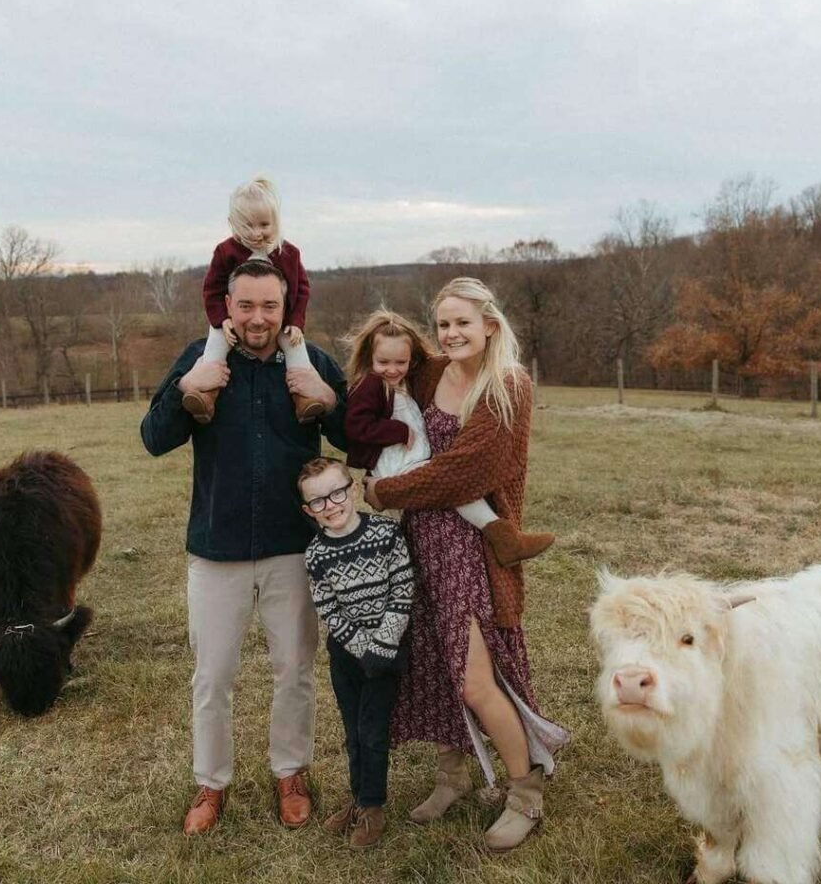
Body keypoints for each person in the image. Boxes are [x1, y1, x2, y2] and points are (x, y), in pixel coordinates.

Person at [140, 260, 347, 836]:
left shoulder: (312, 361)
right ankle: (210, 784)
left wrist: (328, 398)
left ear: (287, 309)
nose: (258, 318)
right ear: (227, 307)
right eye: (247, 305)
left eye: (270, 306)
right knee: (212, 676)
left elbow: (355, 437)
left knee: (295, 670)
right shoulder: (201, 359)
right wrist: (186, 391)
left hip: (293, 548)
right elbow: (154, 439)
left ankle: (290, 773)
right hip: (217, 548)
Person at [364, 277, 569, 853]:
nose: (452, 333)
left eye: (463, 322)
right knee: (431, 663)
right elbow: (380, 382)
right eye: (444, 324)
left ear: (490, 326)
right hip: (418, 540)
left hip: (470, 553)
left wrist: (386, 491)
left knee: (478, 680)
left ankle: (526, 793)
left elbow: (467, 472)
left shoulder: (508, 385)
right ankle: (451, 778)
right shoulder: (430, 372)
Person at [345, 308, 553, 567]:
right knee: (449, 482)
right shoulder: (371, 385)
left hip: (410, 459)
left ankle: (503, 536)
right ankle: (504, 538)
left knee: (451, 481)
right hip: (395, 463)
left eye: (401, 362)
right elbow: (355, 425)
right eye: (383, 362)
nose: (392, 369)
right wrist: (399, 431)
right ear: (370, 358)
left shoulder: (407, 380)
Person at [299, 457, 413, 849]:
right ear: (308, 510)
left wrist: (382, 644)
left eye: (337, 493)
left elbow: (402, 589)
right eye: (318, 502)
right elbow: (328, 608)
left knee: (372, 731)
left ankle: (374, 807)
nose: (331, 505)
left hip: (387, 651)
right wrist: (360, 647)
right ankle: (358, 798)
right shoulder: (315, 554)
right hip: (347, 654)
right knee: (352, 732)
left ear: (352, 489)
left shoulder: (385, 533)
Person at [181, 176, 327, 425]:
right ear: (233, 224)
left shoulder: (288, 253)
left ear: (276, 222)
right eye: (249, 226)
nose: (257, 233)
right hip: (229, 323)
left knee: (296, 349)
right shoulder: (225, 252)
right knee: (215, 346)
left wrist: (295, 322)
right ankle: (205, 396)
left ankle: (303, 400)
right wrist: (221, 320)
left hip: (283, 323)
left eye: (264, 225)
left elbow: (301, 288)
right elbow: (212, 289)